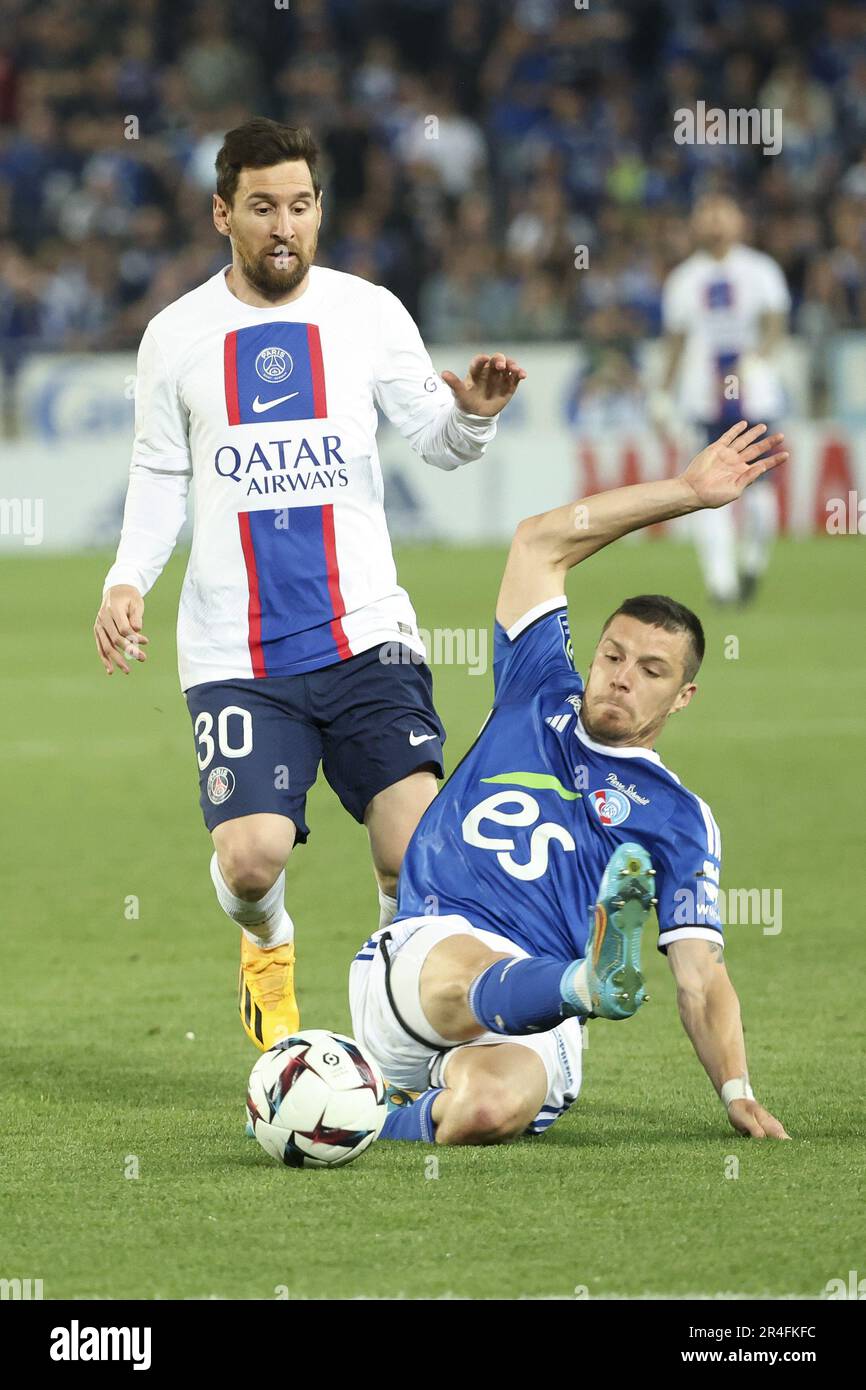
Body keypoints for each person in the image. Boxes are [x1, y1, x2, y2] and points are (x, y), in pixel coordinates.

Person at [93, 119, 525, 1050]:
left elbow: (438, 443)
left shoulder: (368, 313)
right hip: (235, 650)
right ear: (222, 214)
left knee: (413, 854)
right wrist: (128, 578)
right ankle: (267, 944)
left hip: (365, 632)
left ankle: (390, 1020)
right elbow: (161, 474)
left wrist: (475, 418)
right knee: (252, 862)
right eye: (261, 208)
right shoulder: (176, 336)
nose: (283, 225)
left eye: (299, 206)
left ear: (320, 210)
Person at [350, 420, 791, 1146]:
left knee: (488, 1110)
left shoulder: (680, 818)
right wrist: (685, 493)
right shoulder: (535, 686)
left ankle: (349, 1121)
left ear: (683, 697)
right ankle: (583, 984)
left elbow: (700, 976)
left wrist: (736, 1089)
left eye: (651, 671)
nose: (622, 675)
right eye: (613, 654)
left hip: (533, 1021)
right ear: (591, 655)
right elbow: (537, 542)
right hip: (426, 952)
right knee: (467, 968)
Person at [655, 194, 790, 604]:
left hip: (754, 394)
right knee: (703, 484)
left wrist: (756, 361)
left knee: (760, 486)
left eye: (722, 213)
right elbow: (675, 342)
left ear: (739, 220)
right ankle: (721, 582)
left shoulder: (760, 269)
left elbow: (775, 324)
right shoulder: (682, 279)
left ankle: (752, 560)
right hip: (704, 396)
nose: (714, 222)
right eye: (706, 214)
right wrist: (662, 392)